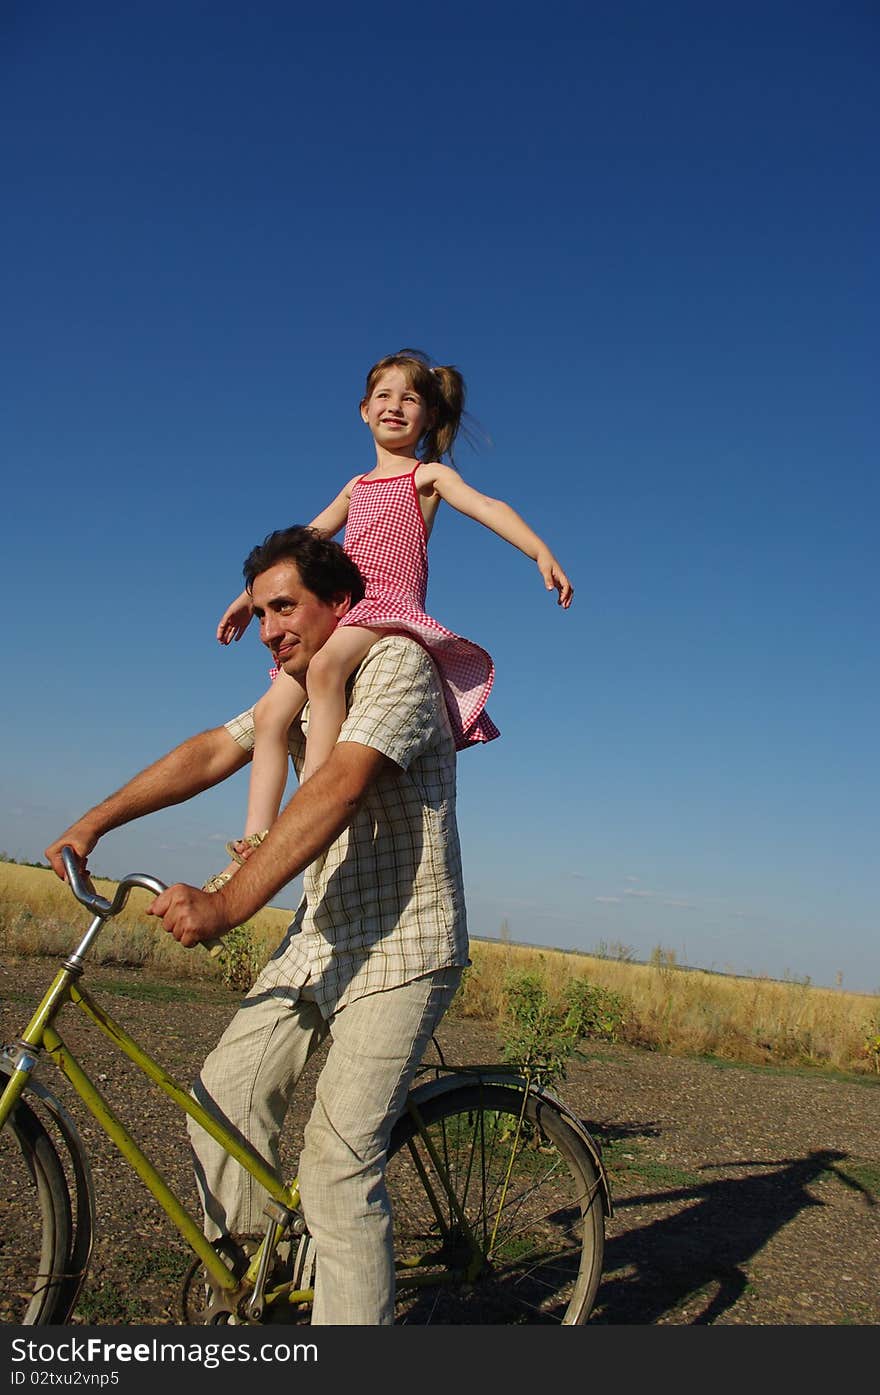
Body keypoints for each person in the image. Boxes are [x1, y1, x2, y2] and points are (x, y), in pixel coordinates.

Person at [45, 526, 468, 1325]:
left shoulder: (397, 665)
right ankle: (263, 1306)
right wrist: (92, 824)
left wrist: (229, 901)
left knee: (340, 1170)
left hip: (403, 947)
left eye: (286, 607)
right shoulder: (297, 686)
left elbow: (339, 784)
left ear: (339, 604)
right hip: (320, 937)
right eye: (261, 611)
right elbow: (214, 750)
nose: (271, 628)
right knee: (222, 1099)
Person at [209, 348, 573, 887]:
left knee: (326, 670)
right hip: (344, 610)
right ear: (363, 410)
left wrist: (538, 550)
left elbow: (488, 506)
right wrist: (248, 596)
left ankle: (310, 812)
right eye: (384, 396)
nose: (395, 406)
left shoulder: (427, 477)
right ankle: (258, 838)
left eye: (410, 398)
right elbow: (303, 542)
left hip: (389, 605)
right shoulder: (357, 486)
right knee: (270, 715)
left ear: (428, 416)